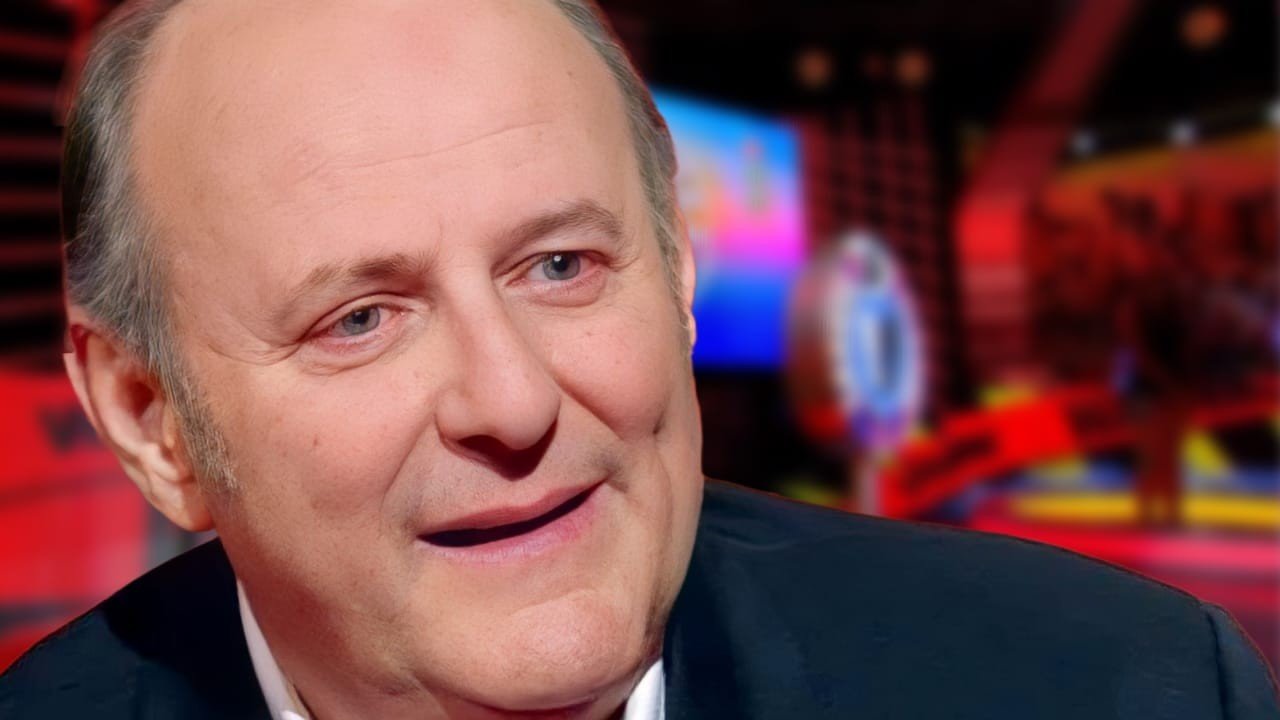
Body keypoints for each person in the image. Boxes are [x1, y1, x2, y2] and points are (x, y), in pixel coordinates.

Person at [1, 0, 1276, 717]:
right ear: (150, 419)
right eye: (360, 319)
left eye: (560, 265)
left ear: (675, 271)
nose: (512, 401)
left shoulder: (1118, 690)